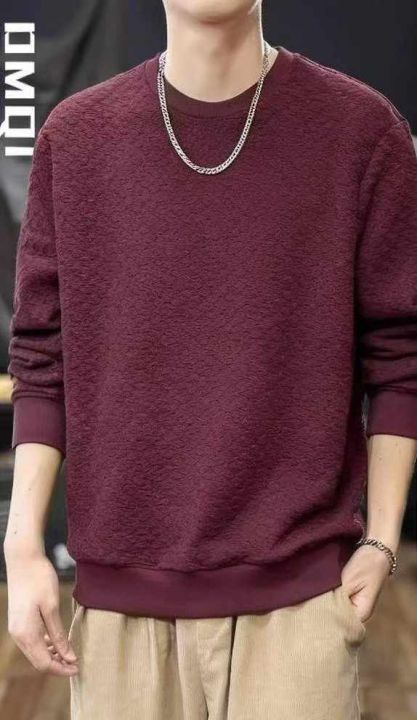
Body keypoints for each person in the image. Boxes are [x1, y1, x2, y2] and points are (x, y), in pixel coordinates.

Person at [5, 1, 417, 718]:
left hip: (299, 609)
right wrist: (23, 547)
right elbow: (43, 356)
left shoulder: (361, 132)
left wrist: (381, 540)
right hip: (119, 614)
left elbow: (399, 353)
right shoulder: (75, 140)